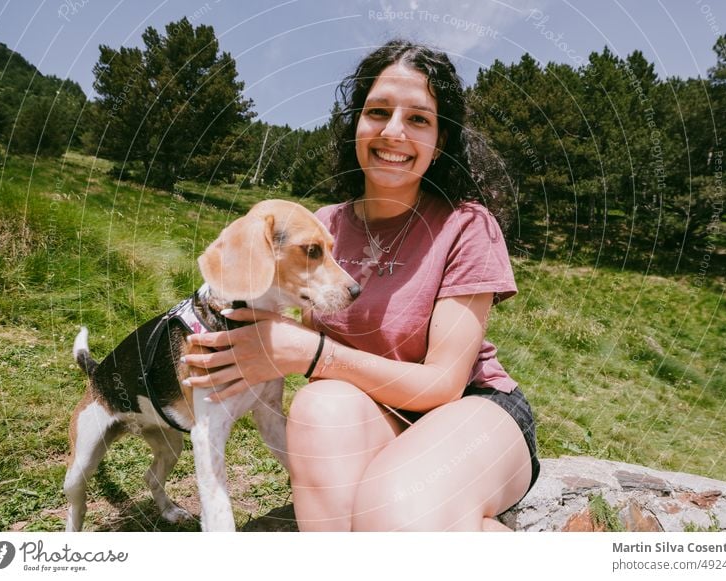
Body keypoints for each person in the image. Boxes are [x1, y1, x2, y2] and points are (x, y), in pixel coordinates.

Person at [183, 39, 539, 531]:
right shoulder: (320, 226)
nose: (393, 132)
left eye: (418, 119)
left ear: (441, 142)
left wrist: (311, 354)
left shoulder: (466, 226)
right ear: (356, 124)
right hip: (366, 410)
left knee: (392, 508)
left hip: (471, 409)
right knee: (316, 412)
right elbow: (257, 299)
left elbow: (443, 382)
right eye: (378, 112)